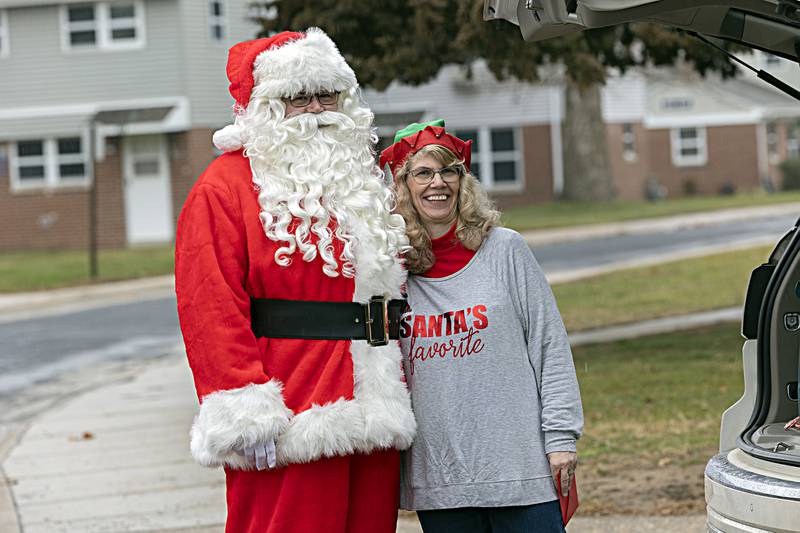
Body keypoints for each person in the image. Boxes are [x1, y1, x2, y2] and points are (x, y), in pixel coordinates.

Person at [175, 29, 416, 533]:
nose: (315, 109)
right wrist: (244, 406)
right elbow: (209, 305)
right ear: (264, 107)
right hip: (290, 409)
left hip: (374, 402)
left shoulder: (358, 181)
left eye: (327, 94)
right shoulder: (224, 187)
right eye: (296, 97)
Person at [380, 120, 584, 533]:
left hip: (519, 467)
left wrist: (561, 437)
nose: (437, 183)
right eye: (423, 173)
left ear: (462, 181)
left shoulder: (505, 249)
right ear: (403, 186)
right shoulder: (390, 270)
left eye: (448, 171)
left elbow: (550, 345)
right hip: (440, 476)